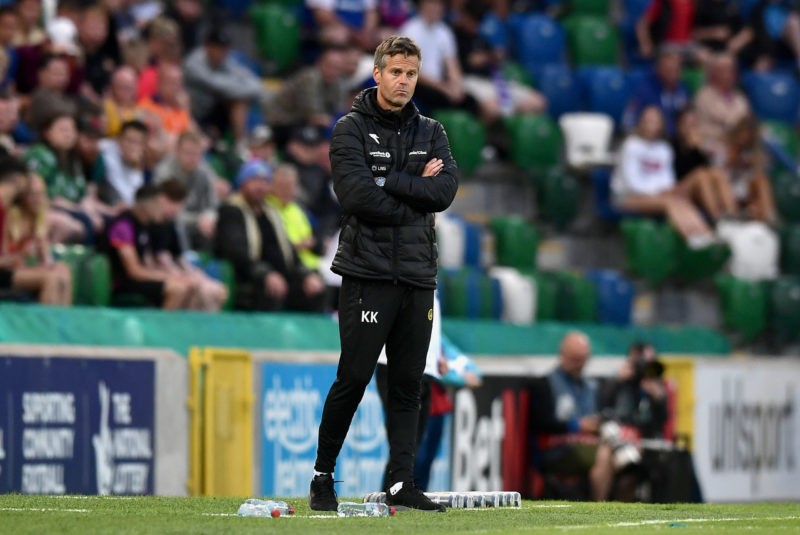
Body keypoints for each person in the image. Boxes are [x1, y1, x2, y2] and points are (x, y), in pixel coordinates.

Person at [309, 36, 458, 513]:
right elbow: (355, 197)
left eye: (411, 73)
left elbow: (446, 191)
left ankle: (401, 482)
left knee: (409, 385)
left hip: (418, 275)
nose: (403, 81)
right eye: (395, 72)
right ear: (377, 74)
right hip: (367, 273)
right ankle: (322, 477)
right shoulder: (349, 129)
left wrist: (390, 181)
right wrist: (415, 189)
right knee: (352, 377)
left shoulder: (433, 130)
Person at [214, 159, 326, 311]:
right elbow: (235, 252)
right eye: (254, 181)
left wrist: (307, 274)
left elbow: (287, 251)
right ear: (242, 184)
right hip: (249, 276)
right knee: (271, 291)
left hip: (278, 275)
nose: (260, 187)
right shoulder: (232, 210)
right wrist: (266, 274)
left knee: (316, 288)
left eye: (264, 182)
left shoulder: (271, 213)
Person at [528, 331, 617, 501]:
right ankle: (599, 507)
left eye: (583, 359)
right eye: (575, 359)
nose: (579, 364)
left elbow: (602, 415)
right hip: (557, 450)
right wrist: (577, 425)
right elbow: (539, 423)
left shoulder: (591, 386)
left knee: (625, 458)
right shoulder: (545, 384)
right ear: (562, 355)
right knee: (605, 454)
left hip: (589, 445)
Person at [612, 105, 715, 247]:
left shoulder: (664, 149)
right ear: (640, 122)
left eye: (655, 122)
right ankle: (692, 238)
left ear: (661, 125)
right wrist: (659, 193)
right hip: (628, 197)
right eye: (648, 121)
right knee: (669, 203)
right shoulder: (630, 145)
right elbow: (631, 182)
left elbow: (667, 179)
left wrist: (665, 191)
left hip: (655, 196)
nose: (651, 126)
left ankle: (706, 236)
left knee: (681, 201)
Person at [104, 182, 195, 309]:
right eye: (159, 204)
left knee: (190, 286)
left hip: (141, 278)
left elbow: (149, 262)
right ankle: (163, 328)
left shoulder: (146, 226)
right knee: (177, 289)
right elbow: (134, 271)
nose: (163, 209)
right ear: (146, 205)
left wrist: (176, 275)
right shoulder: (123, 225)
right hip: (123, 283)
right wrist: (169, 277)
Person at [398, 0, 489, 119]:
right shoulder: (409, 30)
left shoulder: (444, 32)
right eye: (431, 4)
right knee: (443, 99)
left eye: (438, 4)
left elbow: (452, 66)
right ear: (421, 5)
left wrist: (457, 87)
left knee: (471, 102)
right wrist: (443, 88)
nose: (435, 8)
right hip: (417, 84)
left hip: (440, 84)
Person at [150, 178, 228, 311]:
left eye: (179, 203)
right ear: (160, 199)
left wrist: (197, 275)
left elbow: (179, 257)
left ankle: (201, 328)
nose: (175, 208)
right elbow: (161, 259)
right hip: (158, 273)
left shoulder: (172, 225)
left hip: (175, 270)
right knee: (200, 290)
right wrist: (186, 277)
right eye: (171, 202)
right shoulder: (154, 224)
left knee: (217, 290)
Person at [0, 165, 72, 305]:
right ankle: (45, 325)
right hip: (6, 271)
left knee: (63, 271)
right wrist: (22, 255)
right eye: (33, 194)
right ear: (22, 196)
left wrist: (49, 262)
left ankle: (62, 323)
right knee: (50, 278)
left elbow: (46, 259)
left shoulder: (39, 220)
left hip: (19, 269)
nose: (38, 199)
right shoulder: (9, 218)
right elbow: (5, 261)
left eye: (42, 194)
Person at [182, 27, 265, 146]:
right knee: (239, 96)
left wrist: (241, 88)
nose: (222, 52)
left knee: (241, 100)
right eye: (218, 48)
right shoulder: (193, 63)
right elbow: (217, 85)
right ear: (207, 47)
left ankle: (241, 146)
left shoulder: (224, 60)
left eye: (224, 48)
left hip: (214, 109)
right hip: (195, 113)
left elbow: (254, 82)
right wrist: (239, 86)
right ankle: (238, 143)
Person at [153, 130, 222, 250]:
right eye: (188, 153)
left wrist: (209, 218)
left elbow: (213, 205)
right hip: (172, 224)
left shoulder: (204, 171)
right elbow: (164, 211)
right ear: (177, 151)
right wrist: (198, 220)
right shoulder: (164, 172)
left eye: (197, 154)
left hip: (199, 224)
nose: (192, 158)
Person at [671, 107, 737, 222]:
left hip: (699, 186)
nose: (691, 129)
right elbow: (678, 171)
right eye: (687, 124)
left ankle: (733, 214)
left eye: (694, 125)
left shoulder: (700, 145)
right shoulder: (672, 145)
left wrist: (700, 150)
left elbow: (708, 169)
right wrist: (691, 149)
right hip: (679, 187)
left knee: (716, 172)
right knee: (701, 175)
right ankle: (718, 219)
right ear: (679, 126)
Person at [718, 114, 777, 223]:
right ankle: (733, 216)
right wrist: (735, 157)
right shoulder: (726, 146)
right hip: (727, 187)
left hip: (746, 190)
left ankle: (771, 217)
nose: (744, 136)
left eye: (748, 133)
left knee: (761, 181)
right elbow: (720, 172)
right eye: (742, 132)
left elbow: (762, 170)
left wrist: (754, 162)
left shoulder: (754, 151)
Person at [693, 52, 750, 161]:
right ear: (714, 73)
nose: (729, 74)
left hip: (738, 147)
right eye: (724, 70)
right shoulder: (704, 96)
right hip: (713, 146)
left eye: (731, 70)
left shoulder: (740, 99)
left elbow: (745, 124)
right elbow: (704, 128)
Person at [623, 47, 690, 137]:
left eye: (677, 69)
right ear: (658, 69)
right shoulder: (644, 90)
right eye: (669, 69)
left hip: (676, 141)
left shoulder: (681, 89)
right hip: (651, 140)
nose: (674, 73)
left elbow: (685, 116)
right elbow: (628, 121)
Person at [267, 163, 322, 271]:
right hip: (287, 267)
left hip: (312, 265)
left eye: (290, 186)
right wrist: (297, 246)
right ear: (272, 186)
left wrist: (315, 243)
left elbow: (316, 237)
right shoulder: (267, 209)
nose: (286, 190)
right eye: (282, 186)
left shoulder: (298, 209)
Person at [97, 118, 149, 206]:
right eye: (128, 140)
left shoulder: (140, 166)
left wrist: (136, 168)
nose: (131, 146)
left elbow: (131, 200)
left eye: (136, 142)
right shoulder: (105, 149)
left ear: (143, 146)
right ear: (118, 139)